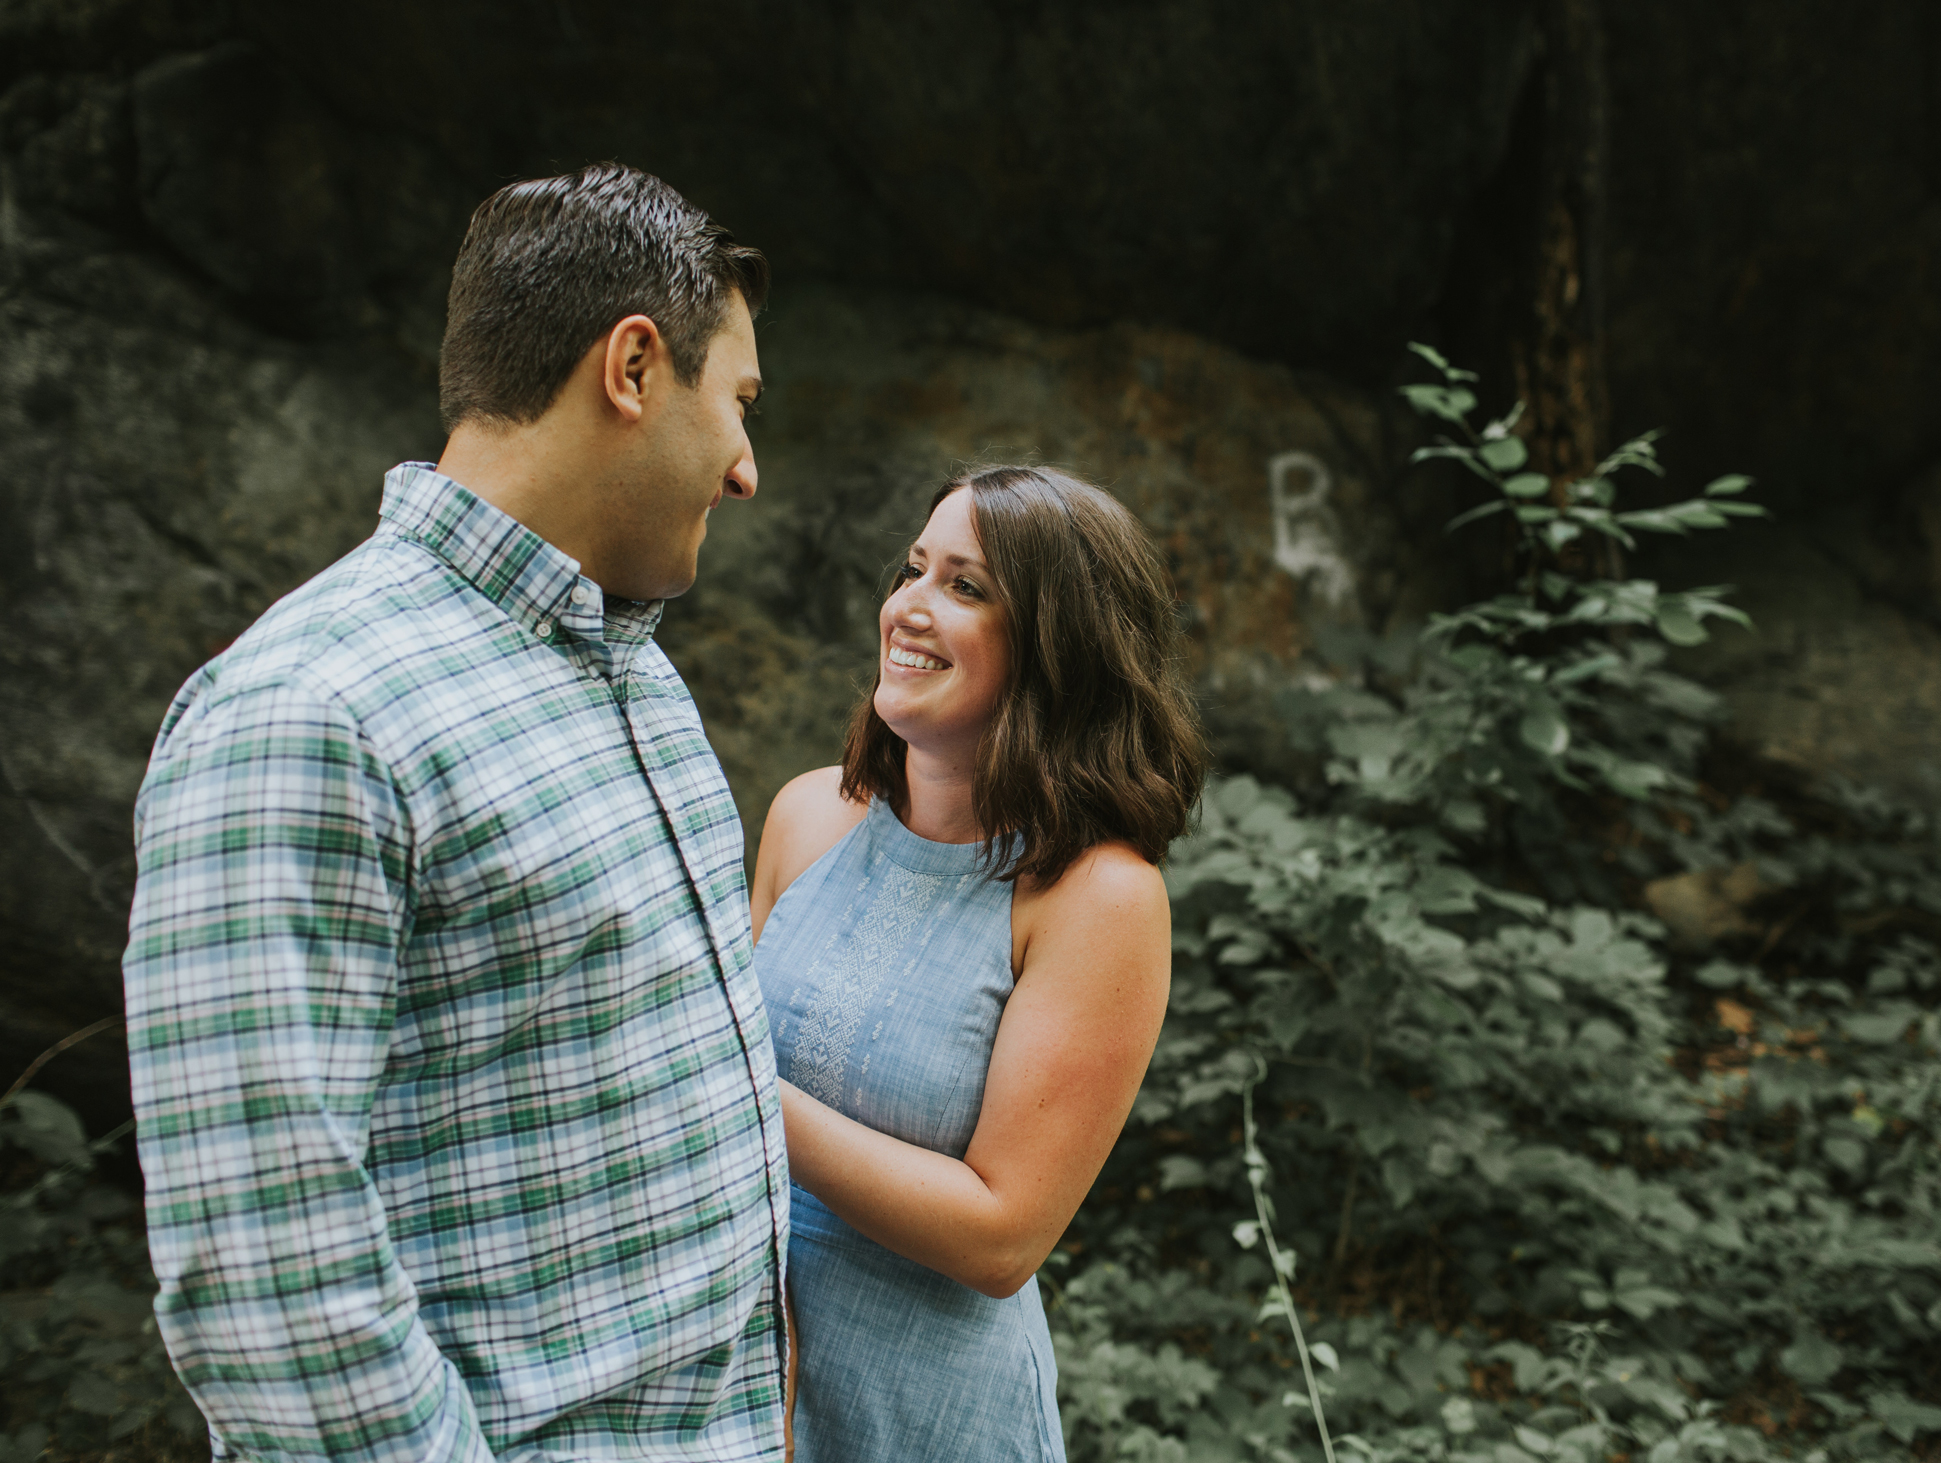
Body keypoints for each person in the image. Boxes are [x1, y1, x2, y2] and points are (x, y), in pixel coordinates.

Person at [122, 164, 793, 1463]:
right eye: (741, 402)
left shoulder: (634, 670)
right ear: (634, 367)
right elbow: (268, 1270)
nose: (748, 467)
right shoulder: (306, 709)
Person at [748, 465, 1207, 1459]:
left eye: (965, 585)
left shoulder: (1098, 897)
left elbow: (1001, 1236)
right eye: (914, 569)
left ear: (1056, 645)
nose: (909, 607)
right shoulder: (806, 814)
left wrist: (723, 1079)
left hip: (929, 1410)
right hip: (739, 1381)